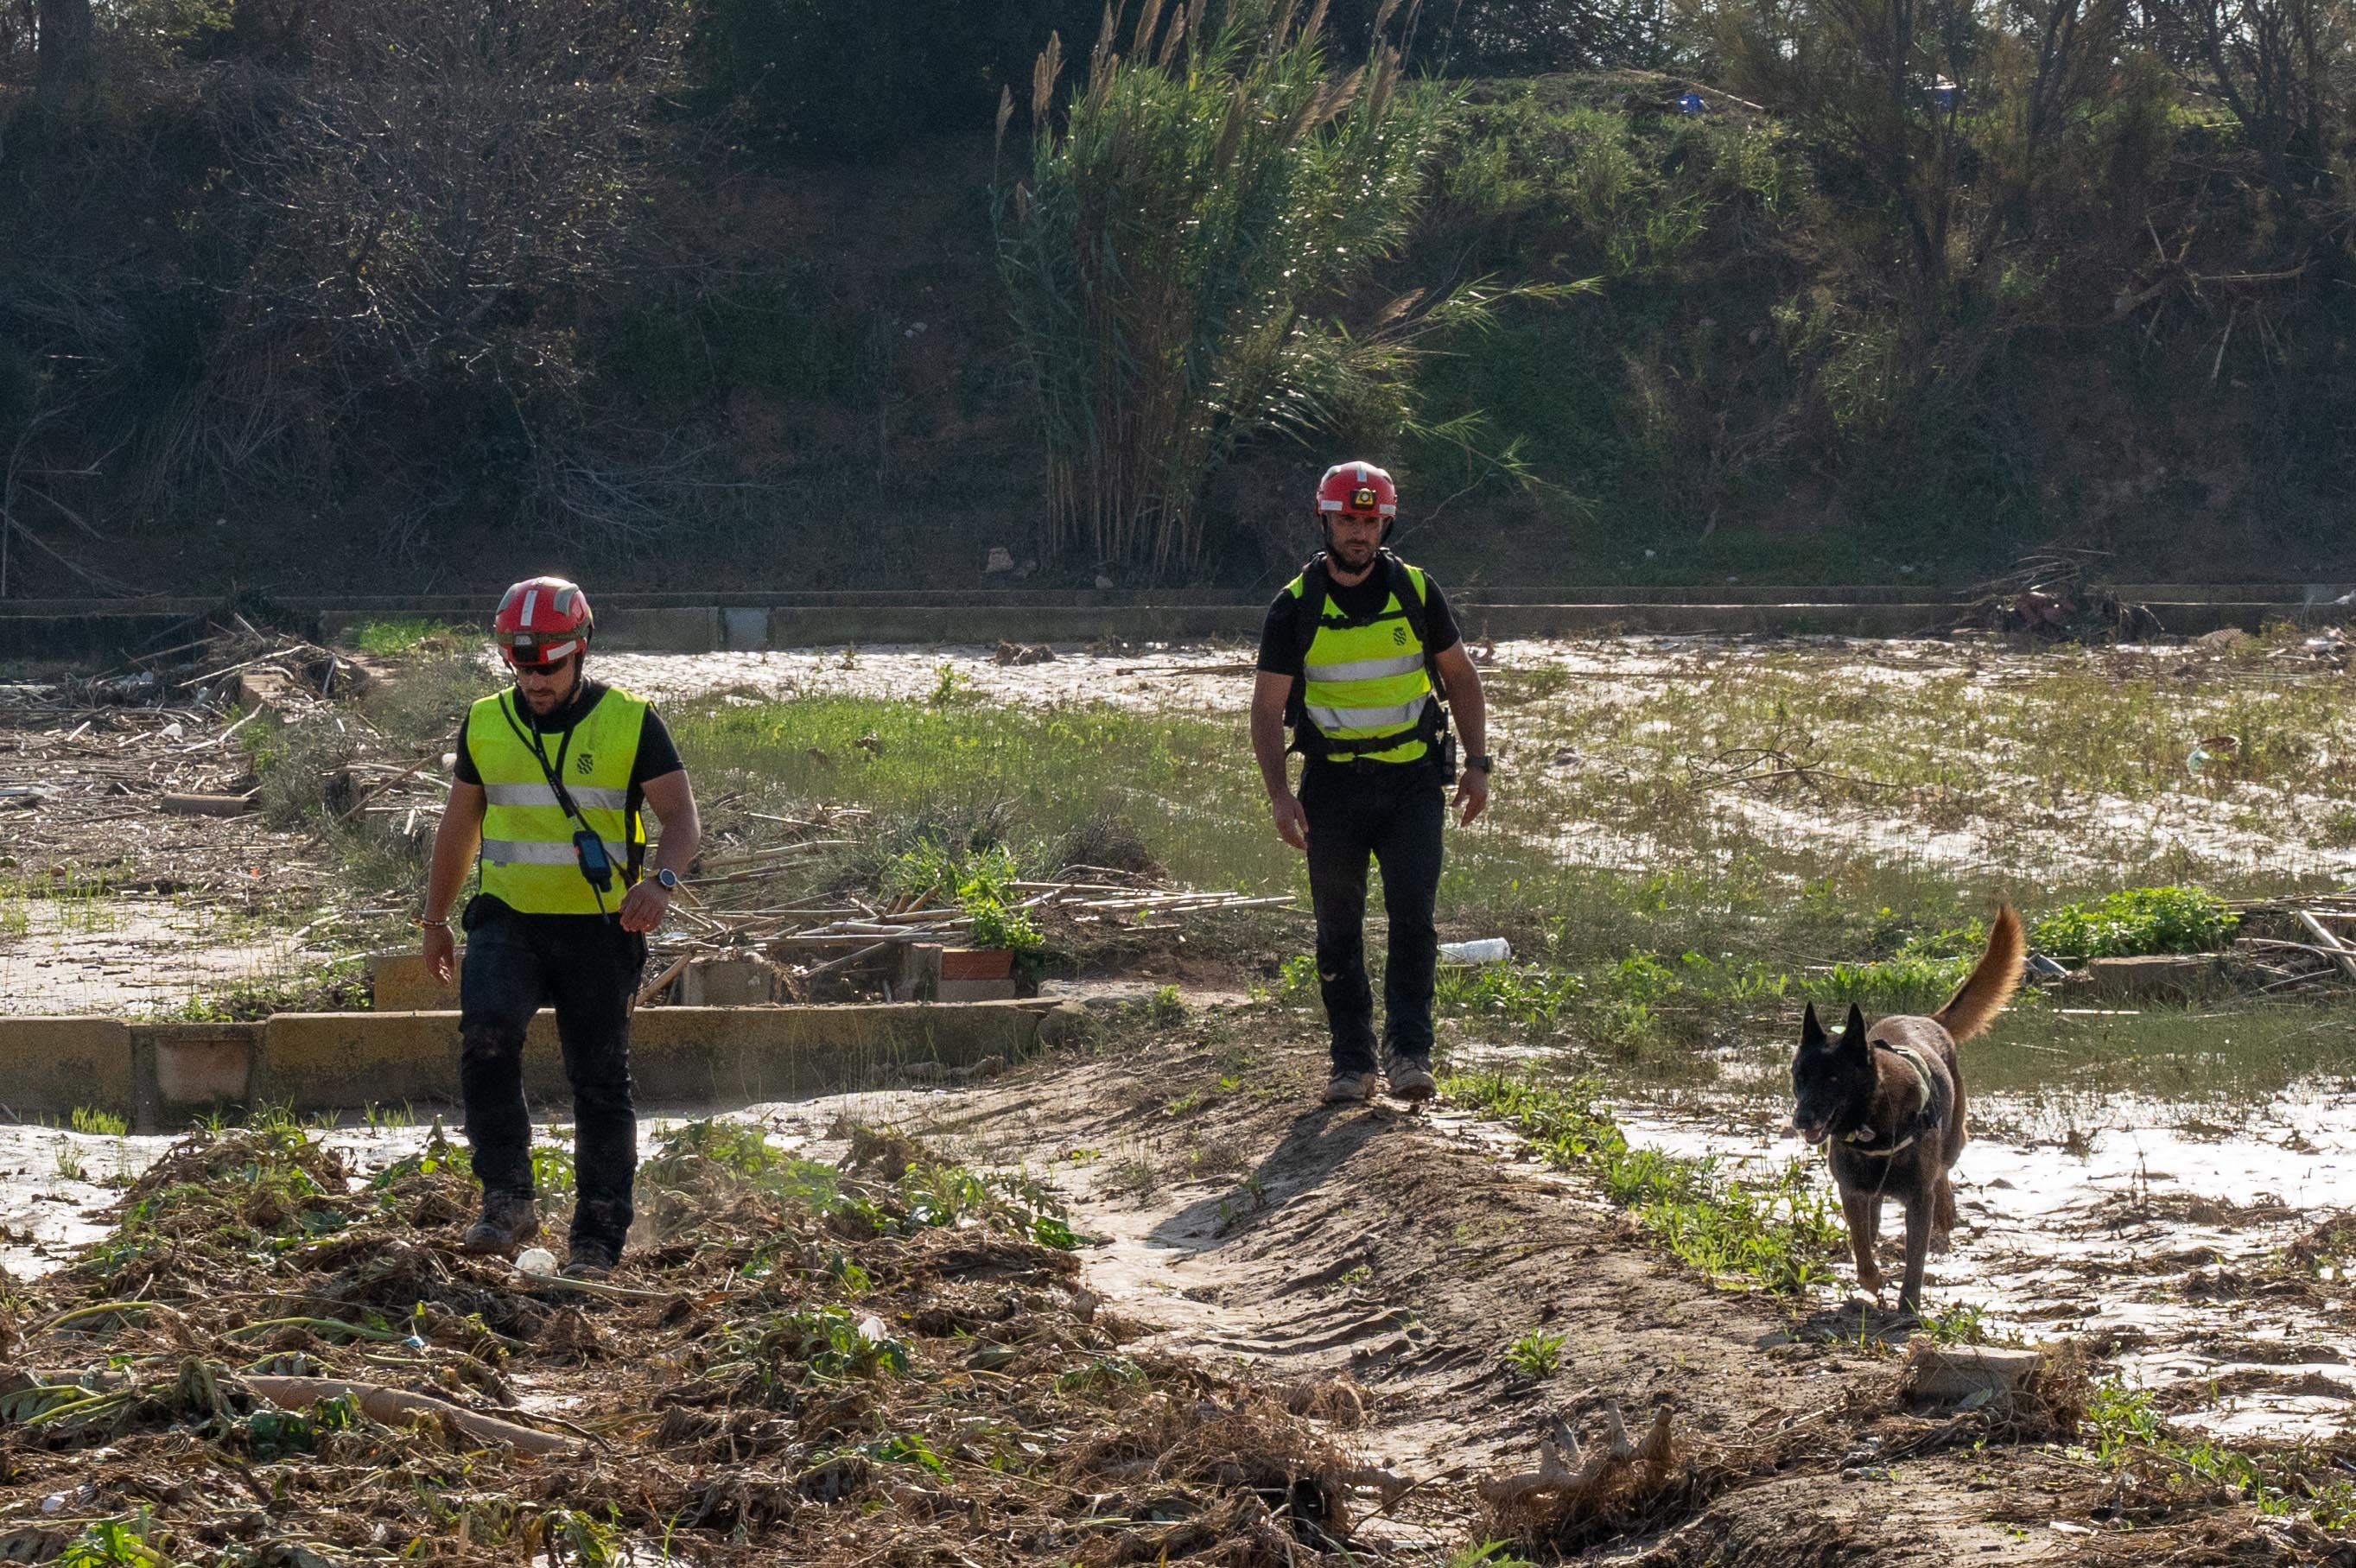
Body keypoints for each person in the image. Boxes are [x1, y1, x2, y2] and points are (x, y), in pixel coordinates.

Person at [418, 576, 702, 1279]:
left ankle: (598, 1238)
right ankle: (507, 1197)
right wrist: (434, 919)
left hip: (599, 929)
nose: (534, 677)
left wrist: (660, 883)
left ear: (580, 652)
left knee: (600, 1080)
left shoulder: (633, 722)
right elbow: (459, 827)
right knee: (485, 1036)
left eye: (547, 663)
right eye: (521, 663)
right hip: (507, 918)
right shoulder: (486, 721)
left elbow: (682, 820)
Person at [1250, 462, 1493, 1105]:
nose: (1358, 532)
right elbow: (1265, 708)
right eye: (1347, 519)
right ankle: (1351, 1062)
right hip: (1331, 789)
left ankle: (1409, 1053)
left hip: (1412, 784)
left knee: (1413, 917)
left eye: (1369, 519)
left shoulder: (1415, 590)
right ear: (1324, 519)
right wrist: (1279, 793)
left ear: (1385, 522)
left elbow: (1461, 677)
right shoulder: (1293, 606)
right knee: (1338, 925)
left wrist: (1477, 763)